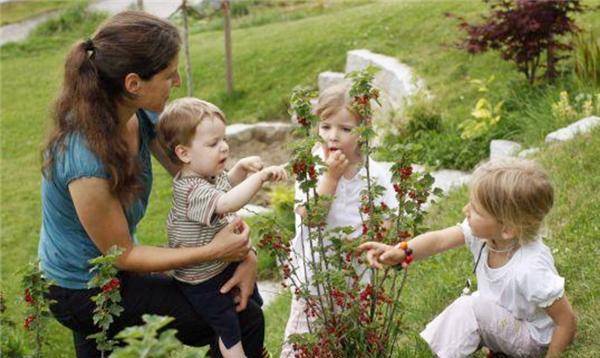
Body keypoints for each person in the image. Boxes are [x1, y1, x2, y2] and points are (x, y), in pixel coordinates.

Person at [38, 11, 266, 357]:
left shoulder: (142, 115)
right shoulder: (84, 159)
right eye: (169, 74)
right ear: (133, 84)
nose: (177, 81)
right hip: (81, 289)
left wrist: (244, 255)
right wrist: (217, 252)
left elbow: (205, 185)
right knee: (239, 313)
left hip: (110, 270)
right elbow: (124, 254)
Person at [359, 158, 577, 358]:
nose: (465, 210)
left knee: (471, 307)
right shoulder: (485, 237)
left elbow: (566, 321)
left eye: (476, 210)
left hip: (533, 341)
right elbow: (439, 240)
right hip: (508, 324)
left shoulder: (531, 267)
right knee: (474, 304)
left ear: (508, 229)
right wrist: (403, 251)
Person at [157, 97, 287, 357]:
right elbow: (226, 202)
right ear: (184, 153)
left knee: (250, 305)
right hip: (201, 279)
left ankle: (254, 349)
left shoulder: (206, 177)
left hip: (219, 266)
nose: (224, 148)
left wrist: (239, 169)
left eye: (224, 139)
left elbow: (225, 186)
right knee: (228, 326)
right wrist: (259, 178)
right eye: (213, 143)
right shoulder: (190, 188)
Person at [280, 84, 399, 357]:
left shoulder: (374, 173)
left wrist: (367, 242)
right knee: (304, 342)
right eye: (326, 127)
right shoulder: (310, 167)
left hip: (355, 277)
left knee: (350, 340)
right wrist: (331, 178)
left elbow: (387, 219)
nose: (333, 137)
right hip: (315, 277)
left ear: (364, 129)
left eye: (345, 129)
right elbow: (312, 217)